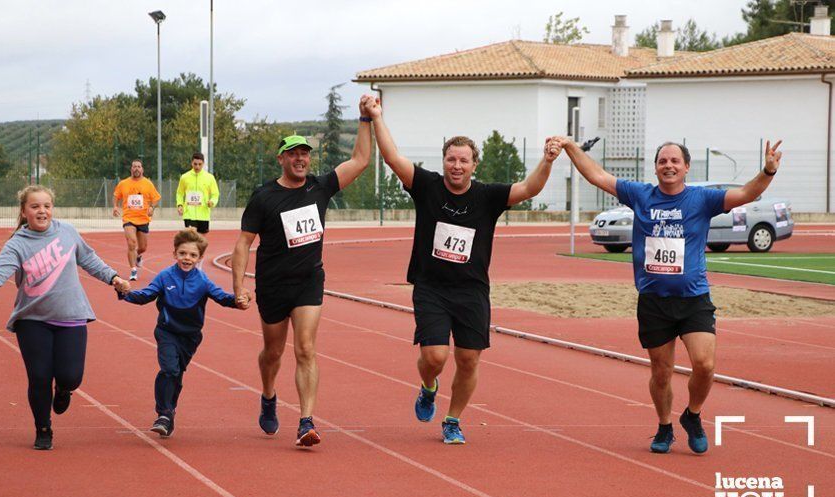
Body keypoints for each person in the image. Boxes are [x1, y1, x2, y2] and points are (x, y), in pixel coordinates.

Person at [550, 136, 782, 454]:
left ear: (686, 167)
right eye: (663, 161)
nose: (668, 165)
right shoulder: (640, 195)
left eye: (675, 161)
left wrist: (767, 171)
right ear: (656, 168)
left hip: (693, 298)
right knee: (661, 372)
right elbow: (597, 175)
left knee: (704, 364)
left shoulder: (702, 200)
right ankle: (664, 426)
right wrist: (570, 147)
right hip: (654, 300)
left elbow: (746, 194)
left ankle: (693, 415)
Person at [365, 96, 560, 445]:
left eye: (463, 160)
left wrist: (546, 161)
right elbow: (393, 158)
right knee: (435, 356)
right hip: (431, 287)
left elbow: (530, 188)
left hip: (471, 291)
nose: (457, 166)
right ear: (443, 162)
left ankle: (452, 419)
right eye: (451, 159)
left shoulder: (488, 197)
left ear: (474, 165)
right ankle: (428, 387)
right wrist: (376, 116)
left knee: (468, 360)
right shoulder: (427, 186)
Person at [231, 95, 373, 447]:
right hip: (272, 284)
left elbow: (360, 159)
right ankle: (267, 395)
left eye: (304, 153)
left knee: (306, 348)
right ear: (281, 159)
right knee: (273, 352)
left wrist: (365, 120)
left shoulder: (320, 187)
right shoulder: (264, 196)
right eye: (292, 153)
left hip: (308, 281)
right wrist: (238, 288)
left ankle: (306, 420)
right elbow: (242, 244)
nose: (300, 158)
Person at [0, 185, 130, 450]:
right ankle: (43, 428)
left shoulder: (67, 232)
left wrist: (113, 278)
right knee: (40, 376)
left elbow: (89, 260)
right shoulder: (17, 244)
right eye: (35, 207)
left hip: (71, 315)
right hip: (32, 319)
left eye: (46, 206)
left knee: (71, 376)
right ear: (24, 211)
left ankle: (64, 390)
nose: (42, 211)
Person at [118, 229, 238, 438]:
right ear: (175, 254)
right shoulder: (165, 276)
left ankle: (169, 411)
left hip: (190, 337)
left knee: (177, 375)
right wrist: (124, 292)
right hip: (167, 332)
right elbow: (146, 295)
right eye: (183, 253)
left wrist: (238, 300)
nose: (187, 258)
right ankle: (163, 414)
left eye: (192, 255)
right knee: (169, 370)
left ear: (200, 258)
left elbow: (222, 297)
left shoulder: (203, 280)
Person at [113, 159, 161, 281]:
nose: (136, 169)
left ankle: (138, 256)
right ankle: (133, 270)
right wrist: (115, 206)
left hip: (143, 218)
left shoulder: (148, 184)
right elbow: (116, 195)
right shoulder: (123, 183)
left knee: (143, 247)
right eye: (134, 167)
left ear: (142, 169)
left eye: (139, 167)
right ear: (131, 169)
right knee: (131, 243)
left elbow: (156, 198)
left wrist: (151, 207)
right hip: (129, 218)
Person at [177, 152, 219, 237]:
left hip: (203, 214)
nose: (197, 167)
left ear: (203, 164)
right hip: (189, 214)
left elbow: (215, 194)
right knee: (191, 237)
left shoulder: (209, 178)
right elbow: (180, 193)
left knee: (201, 242)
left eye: (200, 164)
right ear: (191, 163)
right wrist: (180, 205)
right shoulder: (185, 177)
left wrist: (212, 202)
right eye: (195, 164)